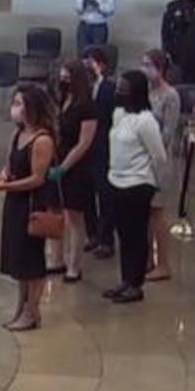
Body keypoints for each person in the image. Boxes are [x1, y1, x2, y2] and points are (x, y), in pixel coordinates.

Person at [0, 84, 56, 332]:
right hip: (15, 203)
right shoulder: (18, 135)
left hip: (32, 204)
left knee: (32, 260)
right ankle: (21, 306)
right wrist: (0, 178)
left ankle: (32, 309)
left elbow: (37, 178)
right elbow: (9, 167)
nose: (14, 108)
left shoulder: (42, 140)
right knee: (19, 260)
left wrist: (6, 186)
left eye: (19, 103)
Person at [103, 70, 168, 303]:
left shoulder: (146, 120)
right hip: (116, 181)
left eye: (124, 88)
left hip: (138, 184)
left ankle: (136, 284)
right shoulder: (119, 114)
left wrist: (156, 184)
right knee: (123, 234)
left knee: (136, 235)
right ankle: (125, 279)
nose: (119, 91)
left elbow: (159, 156)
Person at [47, 60, 97, 282]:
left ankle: (74, 266)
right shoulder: (61, 101)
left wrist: (64, 167)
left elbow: (84, 142)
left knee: (74, 216)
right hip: (55, 158)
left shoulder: (87, 106)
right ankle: (56, 259)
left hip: (76, 166)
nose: (63, 81)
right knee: (54, 211)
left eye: (67, 77)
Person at [142, 49, 179, 282]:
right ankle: (145, 259)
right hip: (141, 160)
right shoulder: (144, 92)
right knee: (143, 213)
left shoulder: (171, 96)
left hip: (160, 160)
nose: (145, 69)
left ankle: (163, 262)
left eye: (149, 64)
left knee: (157, 212)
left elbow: (167, 133)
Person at [85, 48, 117, 259]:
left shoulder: (110, 88)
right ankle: (92, 233)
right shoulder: (83, 87)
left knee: (105, 195)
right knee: (87, 194)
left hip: (104, 146)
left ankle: (106, 239)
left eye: (92, 62)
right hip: (86, 146)